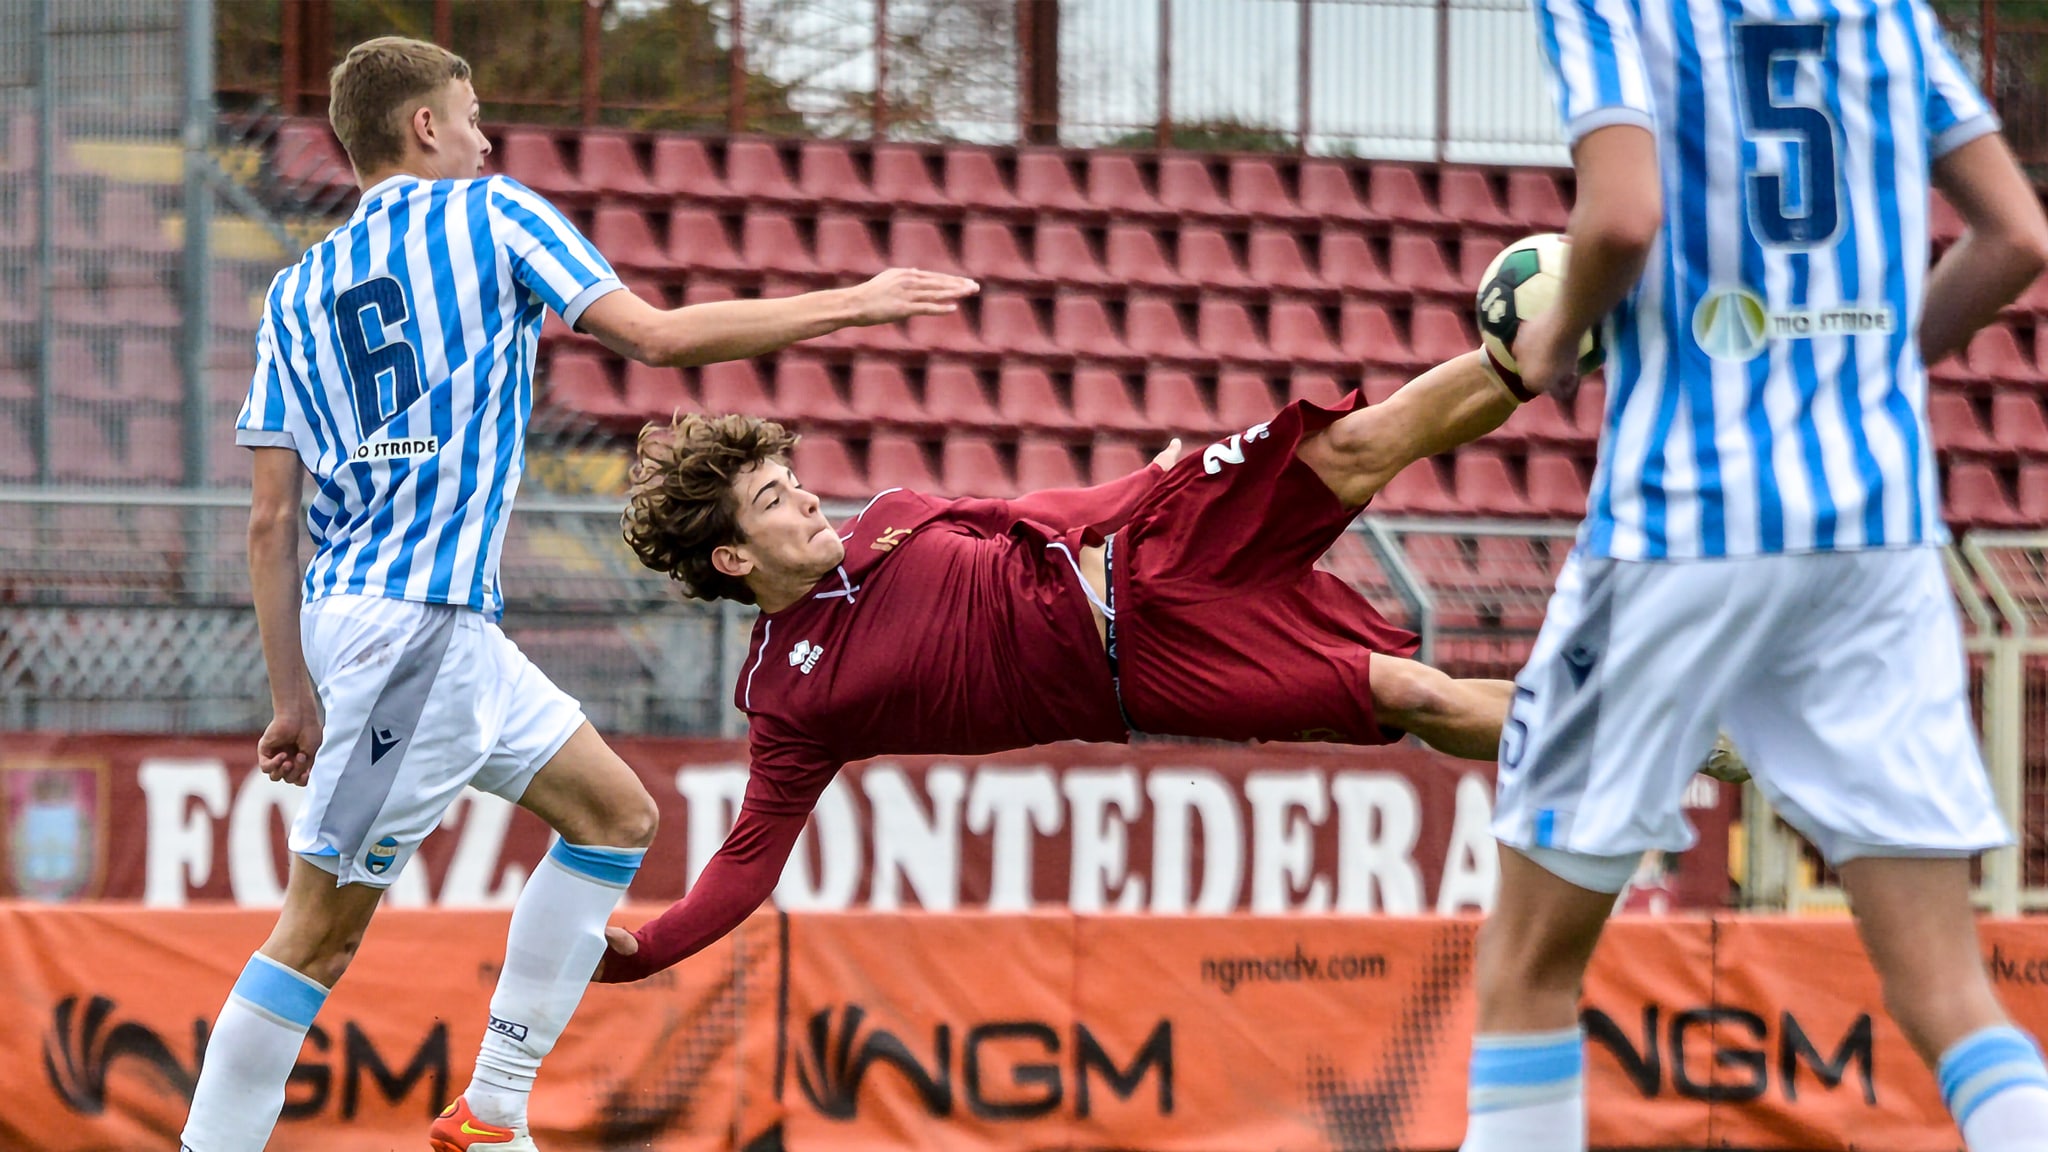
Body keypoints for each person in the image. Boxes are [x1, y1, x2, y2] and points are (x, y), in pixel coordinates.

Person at [182, 36, 976, 1152]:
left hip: (394, 621)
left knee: (615, 818)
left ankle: (494, 1110)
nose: (485, 138)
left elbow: (271, 519)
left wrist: (291, 695)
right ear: (424, 129)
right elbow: (655, 340)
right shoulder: (492, 212)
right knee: (311, 941)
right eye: (470, 116)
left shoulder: (295, 291)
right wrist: (856, 302)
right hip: (414, 630)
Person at [1459, 3, 2048, 1151]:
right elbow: (2016, 238)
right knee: (1945, 995)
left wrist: (1553, 334)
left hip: (1683, 521)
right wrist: (1880, 361)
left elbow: (1622, 218)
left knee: (1525, 972)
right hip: (1875, 532)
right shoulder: (1885, 13)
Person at [593, 345, 1533, 984]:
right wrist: (642, 950)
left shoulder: (887, 513)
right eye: (772, 499)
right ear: (732, 558)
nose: (803, 498)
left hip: (1154, 549)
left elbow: (1024, 512)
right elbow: (746, 864)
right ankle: (1646, 735)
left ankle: (1544, 336)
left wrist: (1145, 483)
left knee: (1361, 442)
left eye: (790, 478)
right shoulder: (787, 701)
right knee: (1413, 696)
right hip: (1153, 672)